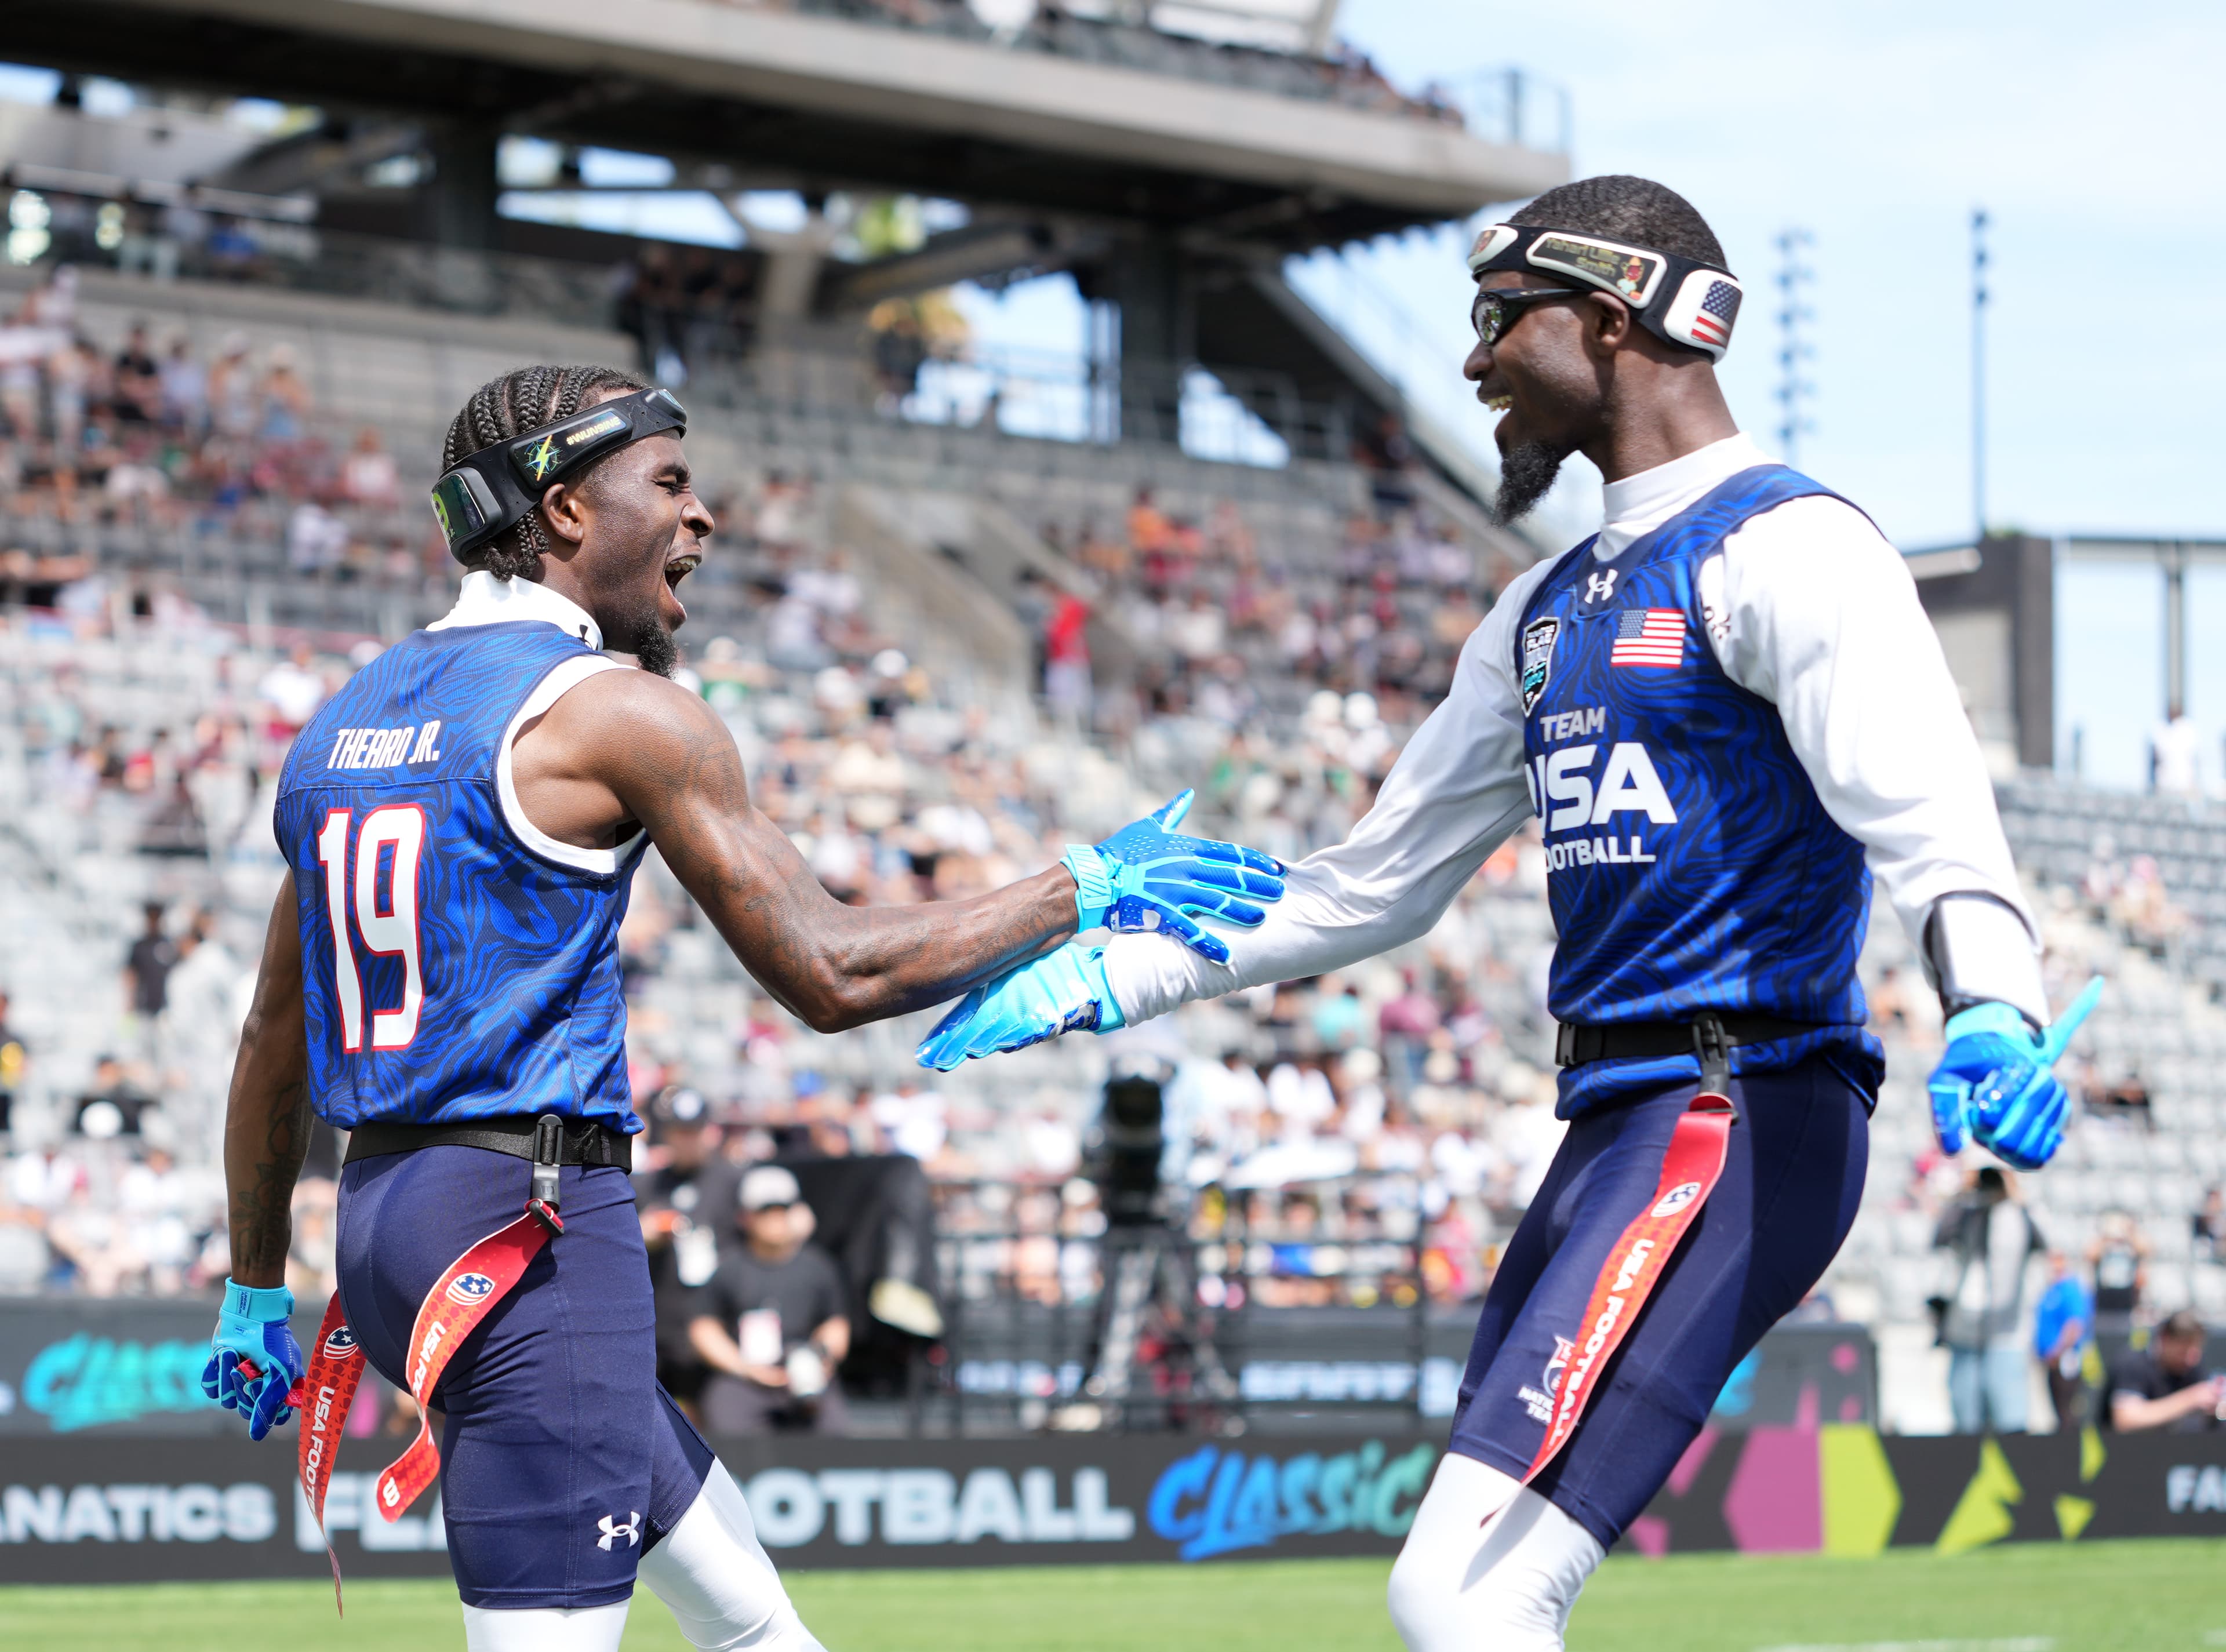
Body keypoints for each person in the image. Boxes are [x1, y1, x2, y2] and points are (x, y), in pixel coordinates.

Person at [916, 176, 2097, 1651]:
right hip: (1619, 1126)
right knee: (1465, 1595)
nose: (1471, 362)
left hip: (1734, 1111)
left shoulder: (1788, 544)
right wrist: (1103, 977)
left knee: (1462, 1597)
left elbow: (1931, 817)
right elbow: (1371, 887)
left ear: (1610, 321)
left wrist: (1994, 1002)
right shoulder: (1542, 605)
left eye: (1497, 321)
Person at [199, 362, 1286, 1652]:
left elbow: (277, 1035)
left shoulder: (340, 722)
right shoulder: (625, 715)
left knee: (755, 1628)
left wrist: (253, 1287)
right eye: (669, 482)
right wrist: (1087, 886)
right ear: (560, 511)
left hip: (386, 1230)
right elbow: (832, 973)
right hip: (529, 1234)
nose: (701, 517)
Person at [686, 1165, 850, 1435]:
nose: (775, 1219)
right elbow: (704, 1328)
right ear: (746, 1216)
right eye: (765, 1211)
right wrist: (744, 1368)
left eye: (782, 1210)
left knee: (833, 1427)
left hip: (804, 1376)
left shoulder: (818, 1267)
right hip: (744, 1378)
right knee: (726, 1416)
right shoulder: (729, 1268)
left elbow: (836, 1324)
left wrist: (820, 1357)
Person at [634, 1086, 737, 1416]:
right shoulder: (647, 1186)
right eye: (680, 1131)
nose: (688, 1139)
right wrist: (643, 1233)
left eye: (695, 1131)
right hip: (661, 1324)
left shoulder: (734, 1181)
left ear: (710, 1131)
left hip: (720, 1323)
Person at [1932, 1166, 2043, 1433]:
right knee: (1965, 1423)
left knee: (2012, 1422)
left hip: (2007, 1334)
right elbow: (1940, 1238)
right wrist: (1964, 1192)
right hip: (1964, 1334)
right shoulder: (1967, 1213)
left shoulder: (2018, 1215)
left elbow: (2042, 1242)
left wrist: (2015, 1194)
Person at [2102, 1311, 2223, 1432]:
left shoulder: (2192, 1367)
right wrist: (2190, 1399)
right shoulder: (2132, 1363)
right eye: (2183, 1352)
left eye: (2195, 1352)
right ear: (2164, 1339)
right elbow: (2125, 1420)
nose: (2190, 1360)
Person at [2031, 1249, 2093, 1432]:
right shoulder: (2051, 1290)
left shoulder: (2070, 1289)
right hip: (2051, 1362)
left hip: (2066, 1361)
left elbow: (2075, 1325)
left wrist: (2057, 1351)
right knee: (2058, 1412)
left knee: (2068, 1412)